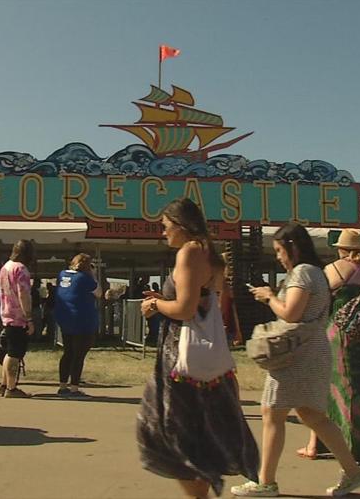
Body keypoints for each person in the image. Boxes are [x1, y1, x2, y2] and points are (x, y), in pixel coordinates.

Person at [233, 223, 360, 497]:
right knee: (313, 416)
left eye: (279, 250)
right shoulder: (315, 273)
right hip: (312, 350)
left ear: (292, 248)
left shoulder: (302, 273)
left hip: (296, 355)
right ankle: (353, 472)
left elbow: (290, 314)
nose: (278, 256)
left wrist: (269, 296)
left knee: (272, 412)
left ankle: (265, 482)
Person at [138, 198, 258, 498]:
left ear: (181, 225)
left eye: (165, 227)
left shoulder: (189, 253)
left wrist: (155, 304)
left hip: (181, 357)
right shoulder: (209, 252)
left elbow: (185, 308)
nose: (163, 233)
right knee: (199, 432)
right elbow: (205, 302)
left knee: (172, 431)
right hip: (203, 356)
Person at [297, 229, 360, 463]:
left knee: (334, 388)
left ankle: (324, 444)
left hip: (341, 337)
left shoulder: (333, 270)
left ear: (340, 248)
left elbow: (318, 301)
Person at [54, 253, 101, 397]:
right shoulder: (85, 278)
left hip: (65, 319)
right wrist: (93, 274)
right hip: (83, 320)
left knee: (68, 352)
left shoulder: (62, 275)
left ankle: (62, 385)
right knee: (78, 355)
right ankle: (74, 387)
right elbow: (99, 293)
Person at [0, 239, 36, 398]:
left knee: (8, 351)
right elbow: (24, 294)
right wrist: (29, 318)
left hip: (6, 314)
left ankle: (4, 384)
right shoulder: (21, 269)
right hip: (18, 317)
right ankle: (11, 389)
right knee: (15, 353)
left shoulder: (5, 267)